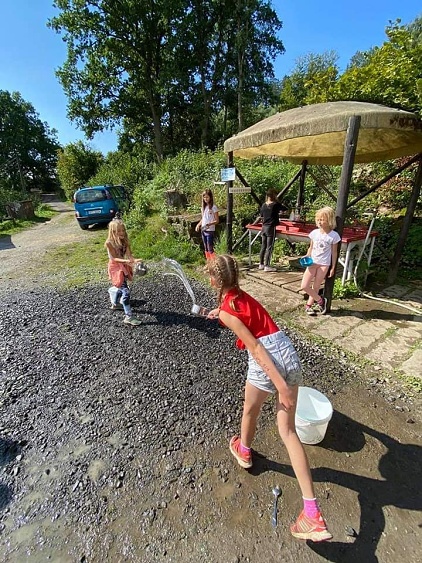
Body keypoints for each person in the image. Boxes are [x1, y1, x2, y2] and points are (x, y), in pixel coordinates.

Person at [206, 254, 332, 543]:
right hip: (287, 351)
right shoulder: (241, 297)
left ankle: (244, 451)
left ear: (214, 280)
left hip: (267, 358)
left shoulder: (227, 310)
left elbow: (255, 348)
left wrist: (280, 386)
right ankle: (312, 514)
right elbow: (240, 316)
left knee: (250, 410)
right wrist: (220, 314)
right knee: (288, 431)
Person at [300, 206, 341, 316]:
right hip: (312, 262)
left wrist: (333, 267)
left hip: (324, 264)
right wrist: (306, 256)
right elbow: (311, 247)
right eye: (318, 219)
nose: (320, 222)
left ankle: (309, 306)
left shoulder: (334, 236)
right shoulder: (314, 233)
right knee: (304, 285)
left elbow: (334, 253)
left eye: (322, 220)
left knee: (316, 286)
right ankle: (320, 300)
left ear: (329, 220)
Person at [105, 218, 142, 326]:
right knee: (125, 291)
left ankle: (115, 302)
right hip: (115, 268)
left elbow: (129, 255)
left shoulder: (125, 240)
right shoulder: (109, 243)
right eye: (119, 231)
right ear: (113, 232)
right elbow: (114, 258)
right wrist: (127, 261)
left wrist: (134, 261)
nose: (122, 233)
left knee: (121, 285)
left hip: (123, 266)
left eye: (123, 230)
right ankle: (128, 317)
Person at [259, 188, 282, 272]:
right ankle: (267, 265)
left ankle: (261, 264)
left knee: (263, 246)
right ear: (274, 196)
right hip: (271, 227)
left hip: (264, 227)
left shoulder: (263, 205)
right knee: (269, 247)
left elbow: (261, 215)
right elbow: (284, 208)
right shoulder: (275, 205)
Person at [195, 189, 219, 260]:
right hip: (203, 229)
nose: (205, 199)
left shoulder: (213, 207)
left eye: (207, 197)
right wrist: (198, 225)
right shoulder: (203, 207)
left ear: (210, 197)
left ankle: (213, 261)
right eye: (204, 197)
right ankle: (208, 261)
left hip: (210, 230)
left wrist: (209, 224)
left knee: (210, 247)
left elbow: (217, 220)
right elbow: (203, 218)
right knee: (205, 247)